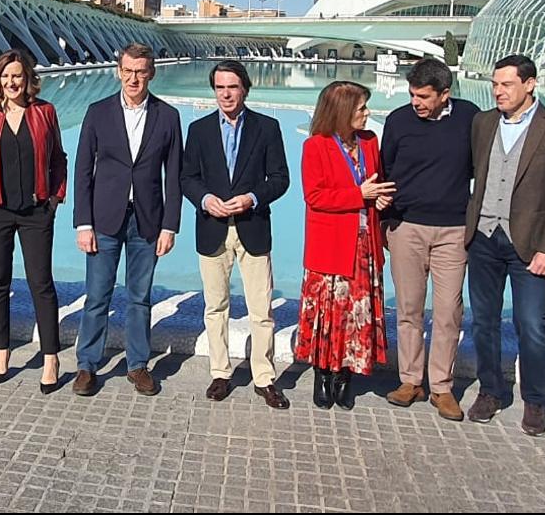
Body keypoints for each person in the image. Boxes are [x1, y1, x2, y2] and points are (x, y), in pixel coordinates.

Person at [464, 55, 545, 436]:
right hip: (482, 238)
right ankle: (491, 391)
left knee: (530, 325)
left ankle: (535, 400)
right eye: (496, 84)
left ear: (530, 84)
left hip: (529, 245)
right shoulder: (483, 122)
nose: (498, 91)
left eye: (507, 84)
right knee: (484, 322)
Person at [72, 43, 182, 397]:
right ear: (119, 71)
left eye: (141, 71)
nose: (134, 78)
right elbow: (82, 171)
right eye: (129, 71)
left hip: (147, 222)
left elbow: (174, 176)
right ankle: (87, 365)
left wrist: (170, 225)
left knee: (140, 298)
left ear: (151, 73)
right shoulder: (97, 112)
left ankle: (137, 365)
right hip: (104, 219)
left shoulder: (167, 116)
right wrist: (82, 223)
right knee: (97, 296)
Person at [180, 60, 291, 409]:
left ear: (245, 88)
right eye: (220, 87)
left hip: (253, 228)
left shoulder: (267, 127)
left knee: (261, 310)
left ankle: (264, 377)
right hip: (212, 229)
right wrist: (205, 199)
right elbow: (187, 178)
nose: (226, 94)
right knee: (216, 307)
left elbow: (280, 178)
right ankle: (221, 373)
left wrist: (252, 198)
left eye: (232, 86)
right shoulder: (198, 130)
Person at [380, 57, 478, 421]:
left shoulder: (470, 117)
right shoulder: (398, 121)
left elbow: (478, 167)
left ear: (444, 94)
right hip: (407, 227)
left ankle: (442, 386)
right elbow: (385, 169)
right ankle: (410, 380)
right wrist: (385, 221)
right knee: (408, 309)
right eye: (412, 95)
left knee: (449, 310)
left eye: (423, 96)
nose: (416, 102)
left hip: (453, 230)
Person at [0, 49, 66, 394]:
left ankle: (50, 356)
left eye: (17, 76)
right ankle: (1, 350)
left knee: (41, 284)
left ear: (28, 79)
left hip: (36, 211)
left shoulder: (44, 112)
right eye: (6, 76)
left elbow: (58, 160)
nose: (11, 82)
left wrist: (54, 199)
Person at [296, 81, 393, 410]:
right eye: (361, 108)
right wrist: (358, 196)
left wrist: (378, 200)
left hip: (364, 242)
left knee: (355, 314)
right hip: (330, 244)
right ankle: (323, 373)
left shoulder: (369, 142)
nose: (366, 114)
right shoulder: (316, 147)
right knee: (328, 315)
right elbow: (315, 196)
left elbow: (374, 184)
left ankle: (345, 375)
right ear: (341, 111)